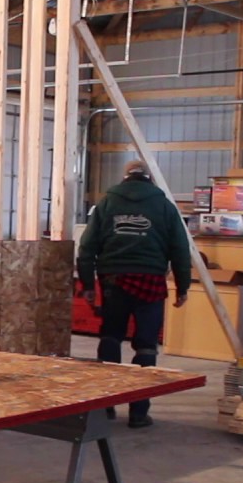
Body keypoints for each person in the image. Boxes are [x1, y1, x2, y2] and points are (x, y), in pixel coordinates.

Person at [76, 159, 191, 429]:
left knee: (111, 337)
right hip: (150, 280)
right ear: (149, 178)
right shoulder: (164, 206)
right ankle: (139, 413)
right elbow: (180, 249)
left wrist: (88, 285)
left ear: (125, 176)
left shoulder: (106, 204)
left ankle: (105, 407)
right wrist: (183, 286)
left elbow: (87, 247)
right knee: (147, 345)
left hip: (114, 280)